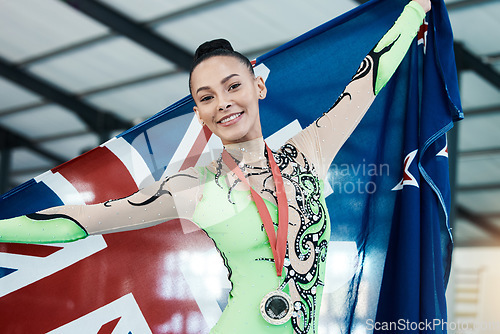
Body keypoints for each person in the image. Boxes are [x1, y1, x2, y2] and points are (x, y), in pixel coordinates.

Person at [0, 0, 430, 333]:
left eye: (232, 86)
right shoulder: (193, 186)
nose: (222, 102)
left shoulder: (309, 151)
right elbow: (83, 221)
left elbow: (368, 79)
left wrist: (416, 9)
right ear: (198, 112)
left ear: (258, 86)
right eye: (206, 97)